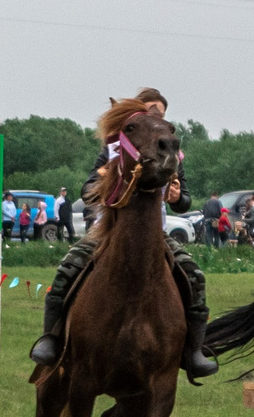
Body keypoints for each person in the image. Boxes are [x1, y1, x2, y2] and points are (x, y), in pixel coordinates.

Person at [25, 87, 217, 382]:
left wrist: (178, 197)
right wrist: (106, 179)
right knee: (67, 268)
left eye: (161, 115)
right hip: (109, 230)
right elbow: (87, 191)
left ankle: (193, 351)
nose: (156, 118)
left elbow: (184, 202)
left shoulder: (170, 153)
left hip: (154, 234)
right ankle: (51, 339)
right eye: (150, 112)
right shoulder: (115, 148)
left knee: (194, 275)